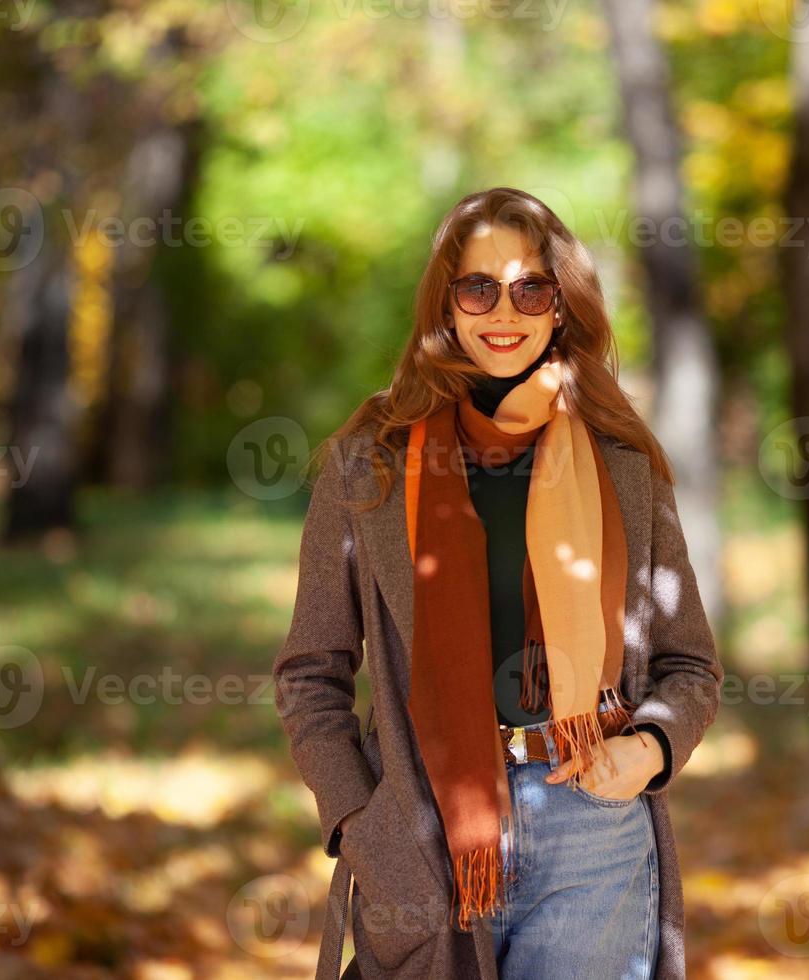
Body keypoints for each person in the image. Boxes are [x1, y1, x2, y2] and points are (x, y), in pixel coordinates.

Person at [273, 186, 723, 980]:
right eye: (478, 287)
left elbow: (691, 663)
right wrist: (360, 819)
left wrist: (648, 750)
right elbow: (311, 671)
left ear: (561, 305)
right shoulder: (370, 464)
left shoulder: (622, 463)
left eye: (529, 289)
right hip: (425, 833)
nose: (503, 312)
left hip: (595, 826)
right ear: (446, 305)